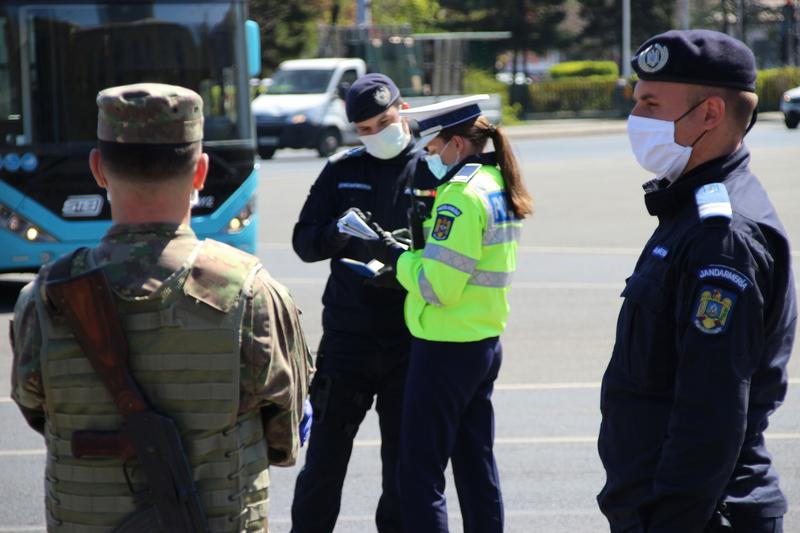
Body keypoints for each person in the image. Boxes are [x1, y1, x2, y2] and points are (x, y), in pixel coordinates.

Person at [9, 83, 312, 532]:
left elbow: (37, 410)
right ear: (201, 172)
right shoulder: (252, 295)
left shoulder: (46, 297)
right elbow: (284, 439)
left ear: (98, 169)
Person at [597, 30, 796, 533]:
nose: (636, 119)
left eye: (650, 103)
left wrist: (669, 519)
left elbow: (712, 409)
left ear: (709, 114)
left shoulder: (722, 235)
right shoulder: (691, 209)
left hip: (697, 515)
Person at [366, 95, 533, 533]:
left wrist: (396, 259)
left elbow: (437, 287)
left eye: (435, 147)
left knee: (419, 472)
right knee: (476, 466)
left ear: (457, 144)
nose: (430, 156)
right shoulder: (495, 182)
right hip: (480, 342)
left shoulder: (459, 196)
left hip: (446, 347)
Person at [290, 73, 439, 533]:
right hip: (348, 339)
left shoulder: (433, 169)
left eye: (383, 121)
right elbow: (304, 241)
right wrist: (337, 233)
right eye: (365, 129)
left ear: (404, 110)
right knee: (324, 463)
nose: (376, 134)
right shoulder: (342, 170)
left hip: (408, 337)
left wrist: (401, 254)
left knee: (401, 465)